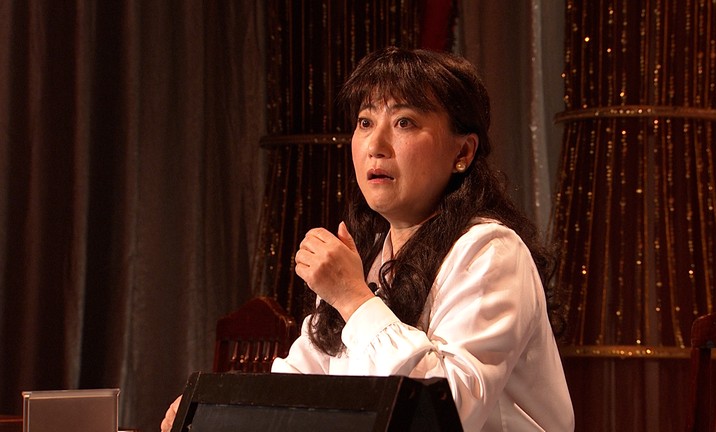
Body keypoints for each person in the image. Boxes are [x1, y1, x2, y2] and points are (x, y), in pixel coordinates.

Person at [161, 46, 574, 432]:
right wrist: (214, 411)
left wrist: (352, 297)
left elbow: (443, 413)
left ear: (462, 152)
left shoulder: (490, 251)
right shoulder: (369, 252)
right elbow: (303, 381)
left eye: (404, 122)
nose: (375, 145)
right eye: (365, 122)